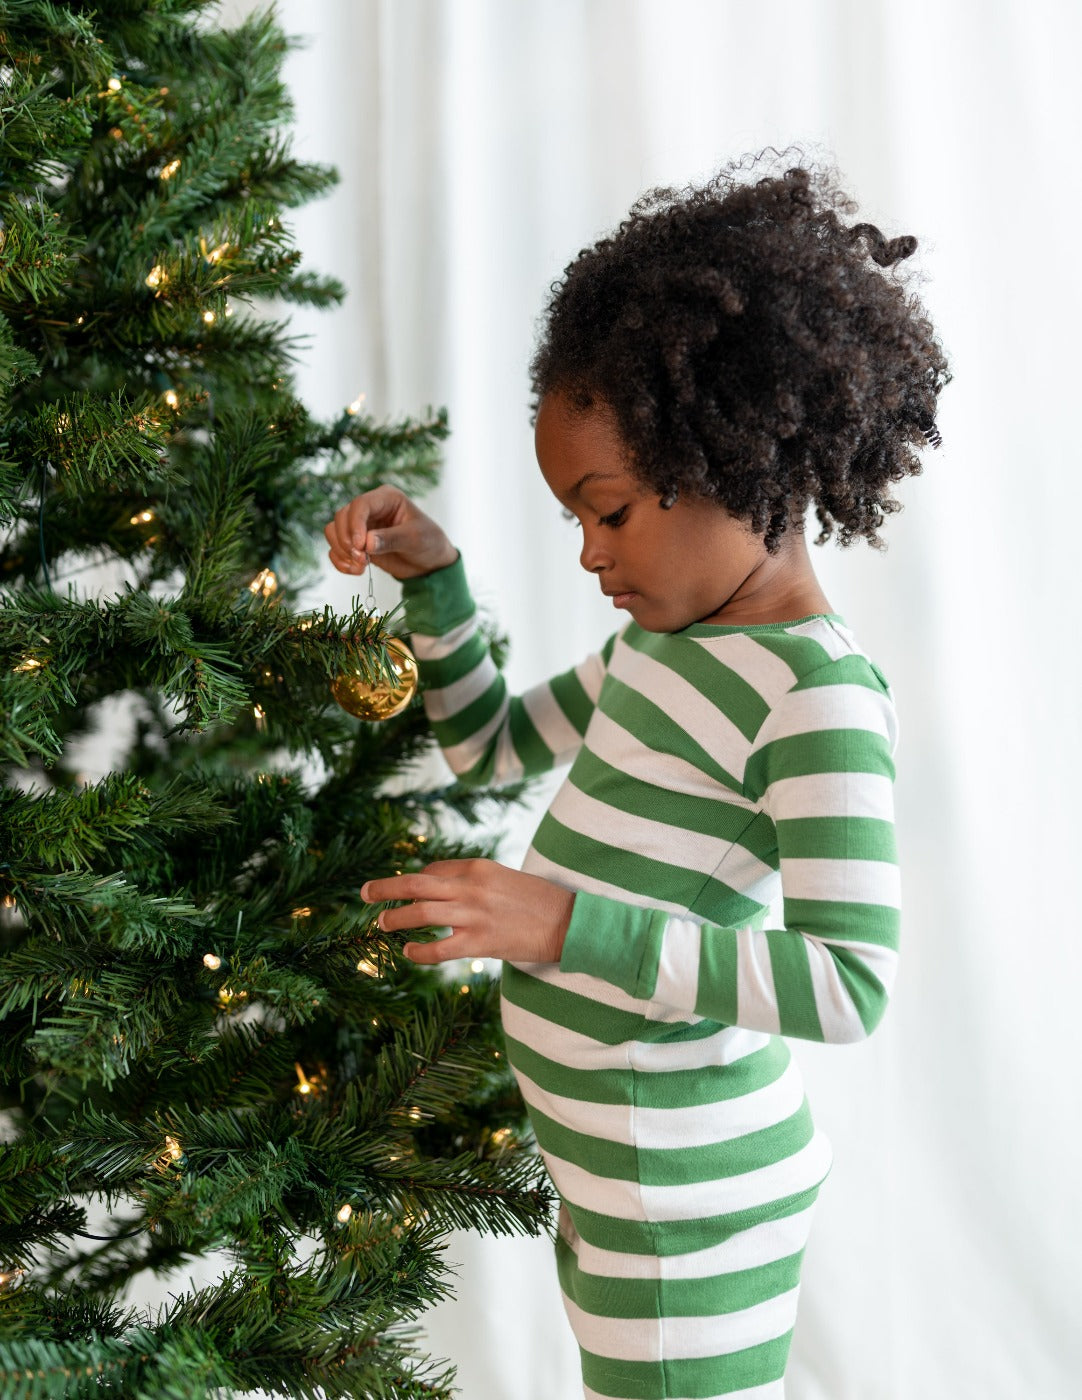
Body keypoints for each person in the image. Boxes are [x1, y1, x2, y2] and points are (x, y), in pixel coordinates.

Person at [324, 158, 949, 1400]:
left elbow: (846, 983)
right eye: (573, 518)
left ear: (732, 456)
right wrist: (434, 577)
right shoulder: (659, 648)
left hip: (689, 1188)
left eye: (607, 511)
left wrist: (558, 922)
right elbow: (491, 745)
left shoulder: (811, 696)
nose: (590, 554)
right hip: (618, 1170)